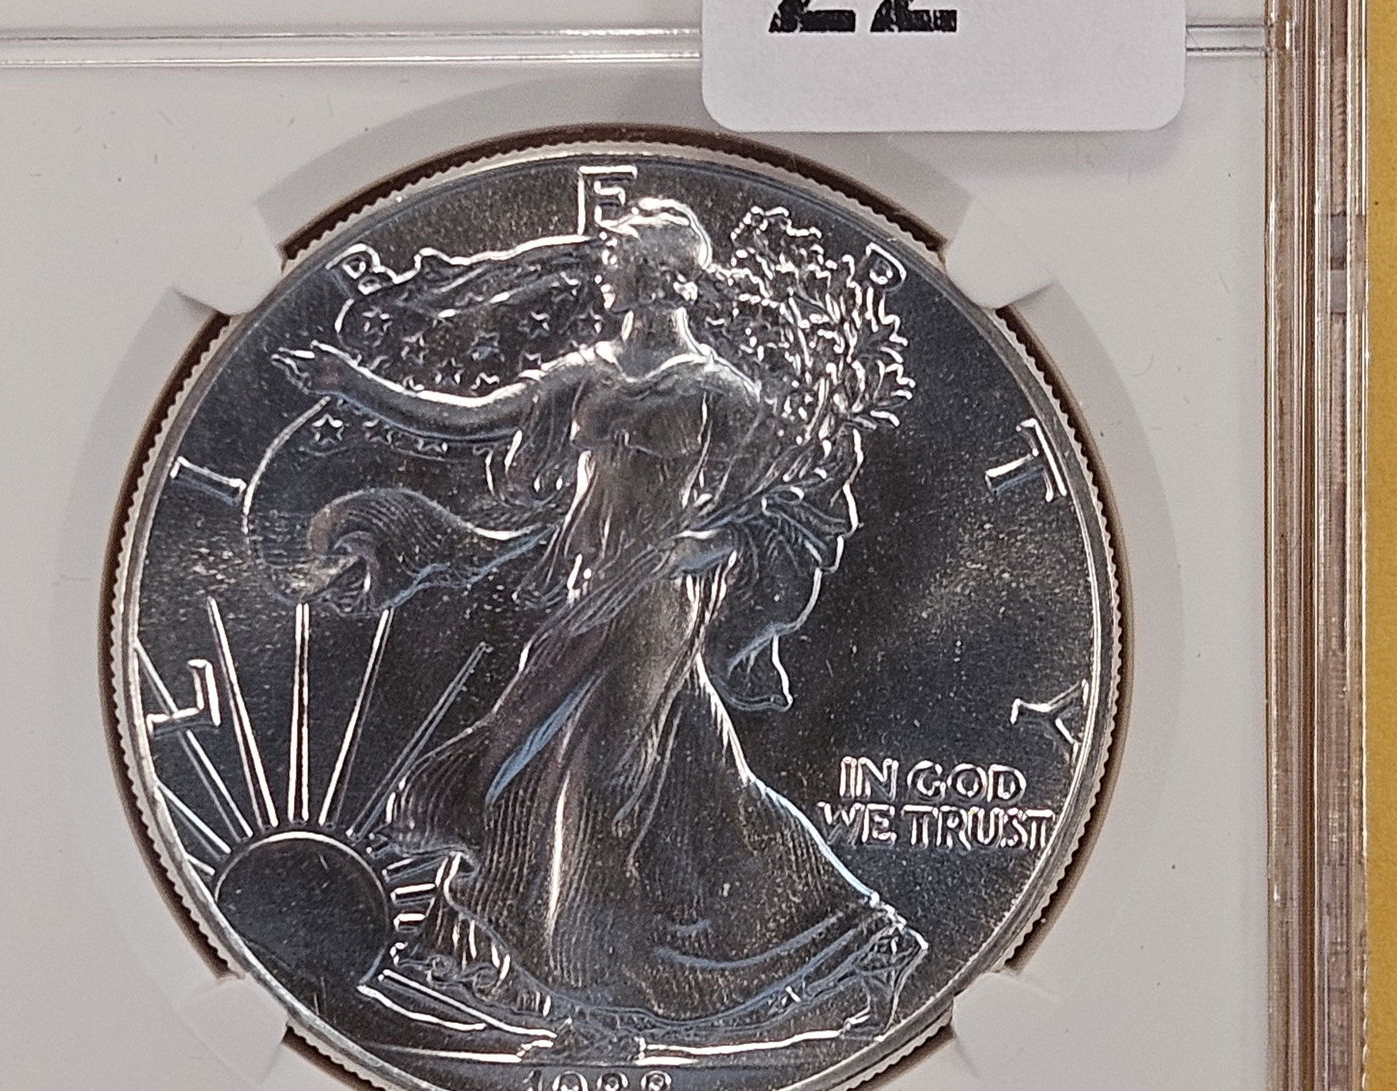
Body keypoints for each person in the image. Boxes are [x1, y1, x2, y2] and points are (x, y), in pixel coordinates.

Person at [277, 198, 925, 1038]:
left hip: (657, 607)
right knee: (687, 778)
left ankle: (590, 998)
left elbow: (783, 508)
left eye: (615, 259)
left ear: (654, 276)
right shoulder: (585, 373)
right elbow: (469, 421)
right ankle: (861, 939)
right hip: (588, 599)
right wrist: (354, 386)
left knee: (593, 786)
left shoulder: (723, 392)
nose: (602, 272)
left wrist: (703, 544)